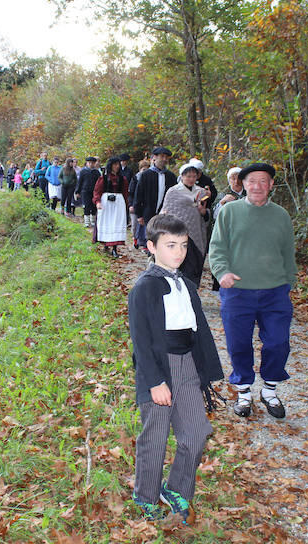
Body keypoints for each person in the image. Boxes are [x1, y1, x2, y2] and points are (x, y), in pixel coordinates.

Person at [128, 214, 224, 522]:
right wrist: (154, 381)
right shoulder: (145, 288)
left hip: (188, 367)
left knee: (196, 433)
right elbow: (142, 341)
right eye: (171, 245)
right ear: (151, 247)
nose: (179, 252)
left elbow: (198, 331)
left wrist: (204, 371)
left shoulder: (186, 285)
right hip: (160, 367)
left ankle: (177, 488)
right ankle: (145, 495)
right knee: (155, 436)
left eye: (183, 245)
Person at [208, 163, 297, 419]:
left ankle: (269, 390)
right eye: (252, 181)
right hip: (238, 291)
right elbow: (217, 248)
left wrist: (288, 281)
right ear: (243, 184)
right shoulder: (229, 212)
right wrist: (222, 272)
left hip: (275, 292)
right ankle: (244, 391)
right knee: (238, 343)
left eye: (263, 181)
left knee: (278, 342)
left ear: (271, 185)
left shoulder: (280, 215)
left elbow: (288, 252)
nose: (257, 186)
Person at [160, 163, 211, 286]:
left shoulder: (201, 192)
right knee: (179, 261)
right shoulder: (173, 192)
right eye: (188, 176)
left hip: (197, 231)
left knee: (195, 262)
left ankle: (192, 288)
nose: (191, 179)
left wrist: (204, 212)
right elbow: (167, 211)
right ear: (182, 176)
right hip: (177, 232)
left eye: (194, 176)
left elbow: (207, 214)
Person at [133, 146, 177, 247]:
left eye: (166, 157)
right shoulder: (146, 175)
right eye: (162, 156)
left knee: (161, 236)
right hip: (148, 211)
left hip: (165, 212)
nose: (164, 159)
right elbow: (138, 195)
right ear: (155, 157)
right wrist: (139, 214)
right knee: (150, 237)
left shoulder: (170, 176)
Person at [93, 156, 129, 258]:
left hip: (118, 203)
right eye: (115, 164)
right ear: (111, 165)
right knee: (107, 222)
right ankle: (106, 244)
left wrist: (127, 205)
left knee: (116, 223)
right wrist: (98, 202)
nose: (117, 166)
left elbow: (125, 193)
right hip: (106, 203)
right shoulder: (103, 178)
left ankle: (114, 248)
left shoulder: (122, 179)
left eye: (118, 164)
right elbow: (97, 191)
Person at [129, 158, 152, 250]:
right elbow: (131, 193)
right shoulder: (135, 178)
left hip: (145, 205)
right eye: (143, 169)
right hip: (135, 204)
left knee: (145, 225)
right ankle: (135, 238)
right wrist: (131, 205)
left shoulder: (150, 179)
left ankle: (145, 242)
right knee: (135, 224)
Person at [76, 157, 101, 228]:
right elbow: (80, 182)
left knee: (93, 206)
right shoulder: (83, 171)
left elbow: (99, 183)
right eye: (89, 163)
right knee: (86, 206)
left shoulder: (96, 172)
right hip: (85, 191)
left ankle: (93, 221)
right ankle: (87, 222)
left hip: (94, 191)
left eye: (92, 163)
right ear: (87, 163)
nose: (90, 164)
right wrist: (78, 191)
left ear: (94, 163)